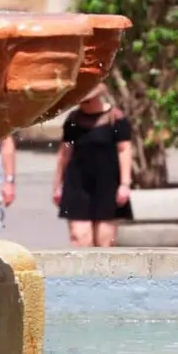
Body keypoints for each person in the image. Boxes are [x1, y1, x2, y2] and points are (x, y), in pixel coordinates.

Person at [53, 84, 133, 247]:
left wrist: (125, 184)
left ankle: (103, 274)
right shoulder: (73, 121)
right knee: (80, 237)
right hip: (77, 185)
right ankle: (80, 273)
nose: (84, 104)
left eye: (88, 100)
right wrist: (57, 185)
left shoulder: (116, 119)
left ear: (97, 97)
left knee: (104, 242)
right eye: (81, 101)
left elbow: (124, 150)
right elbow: (64, 153)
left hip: (107, 185)